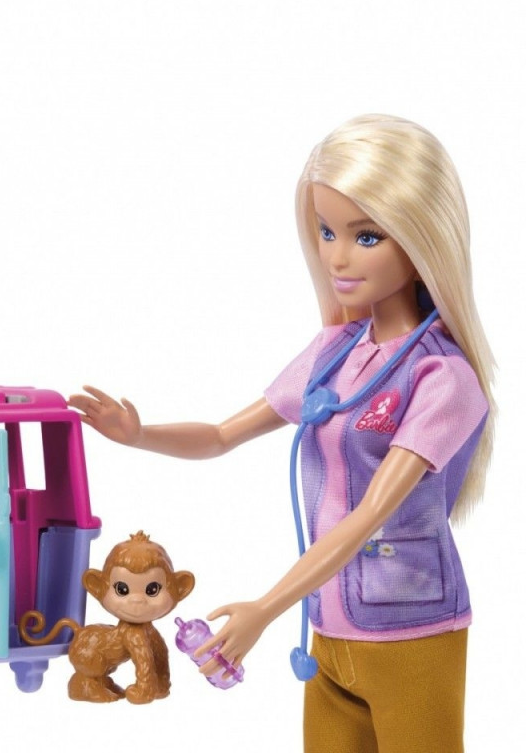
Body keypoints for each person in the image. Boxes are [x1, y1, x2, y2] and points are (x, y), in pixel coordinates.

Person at [68, 114, 495, 753]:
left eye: (366, 235)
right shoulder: (337, 350)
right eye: (326, 231)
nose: (337, 256)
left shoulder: (443, 378)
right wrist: (138, 434)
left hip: (409, 629)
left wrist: (265, 610)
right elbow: (222, 434)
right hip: (328, 632)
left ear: (421, 237)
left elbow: (370, 515)